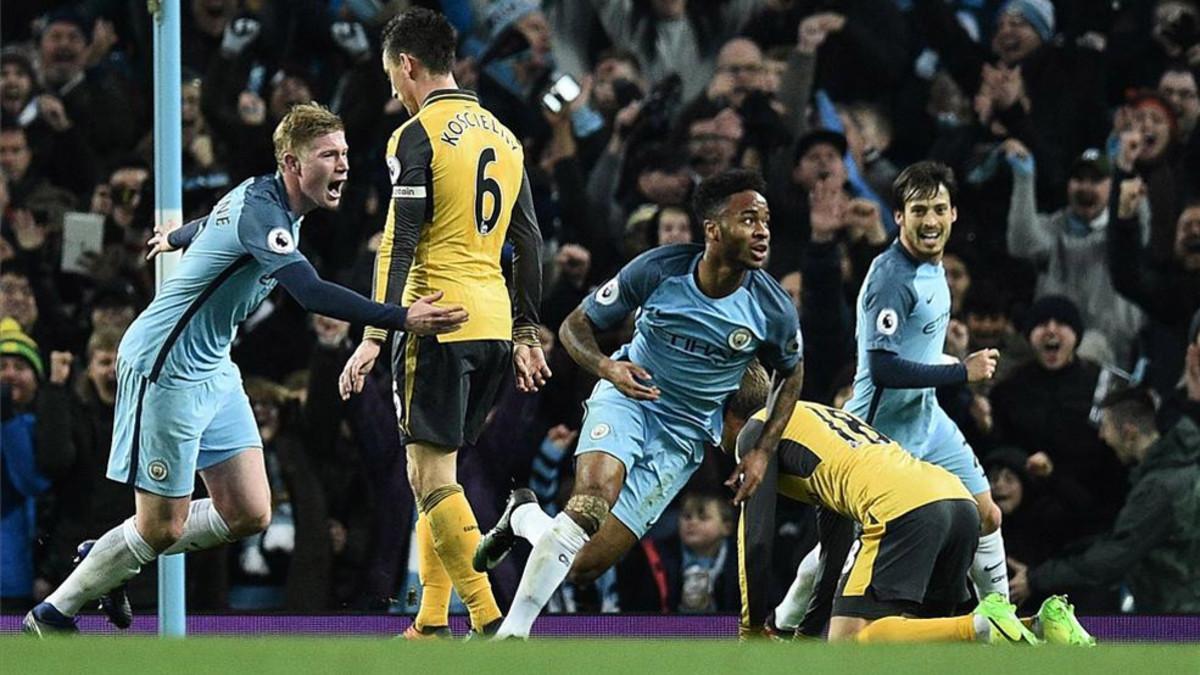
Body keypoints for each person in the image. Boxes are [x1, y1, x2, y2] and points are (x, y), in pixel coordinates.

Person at [22, 102, 467, 636]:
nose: (344, 165)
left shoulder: (264, 197)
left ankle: (114, 552)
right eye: (329, 155)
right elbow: (308, 291)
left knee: (249, 513)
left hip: (214, 367)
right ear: (292, 163)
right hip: (165, 366)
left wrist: (177, 236)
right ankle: (53, 613)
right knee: (161, 529)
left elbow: (215, 221)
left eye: (345, 153)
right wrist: (402, 317)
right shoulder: (266, 211)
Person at [475, 168, 806, 639]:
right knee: (589, 504)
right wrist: (609, 369)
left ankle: (523, 515)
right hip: (628, 400)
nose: (762, 231)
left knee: (582, 564)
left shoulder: (771, 309)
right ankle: (512, 638)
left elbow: (791, 372)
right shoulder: (659, 269)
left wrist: (762, 450)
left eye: (766, 221)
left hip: (685, 436)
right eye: (749, 220)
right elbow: (574, 326)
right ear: (713, 230)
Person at [335, 8, 550, 640]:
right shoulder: (505, 137)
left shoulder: (415, 135)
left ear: (406, 64)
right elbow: (530, 242)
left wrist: (376, 333)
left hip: (436, 321)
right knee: (442, 474)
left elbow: (398, 244)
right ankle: (430, 620)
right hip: (491, 323)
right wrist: (525, 330)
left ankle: (489, 621)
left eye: (392, 77)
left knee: (427, 478)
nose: (393, 92)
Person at [729, 363, 1092, 646]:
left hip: (903, 510)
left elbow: (756, 538)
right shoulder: (814, 417)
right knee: (919, 644)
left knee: (850, 642)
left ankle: (983, 622)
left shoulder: (757, 431)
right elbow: (834, 545)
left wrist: (751, 629)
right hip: (953, 500)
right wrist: (805, 636)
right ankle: (1042, 623)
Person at [844, 161, 1009, 599]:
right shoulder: (892, 278)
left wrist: (953, 360)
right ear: (899, 216)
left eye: (939, 208)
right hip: (877, 432)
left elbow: (915, 349)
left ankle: (1002, 618)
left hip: (924, 416)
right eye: (919, 210)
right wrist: (961, 371)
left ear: (954, 213)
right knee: (850, 550)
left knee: (987, 513)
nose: (931, 220)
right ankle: (786, 619)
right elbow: (883, 367)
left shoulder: (936, 267)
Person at [1010, 388, 1200, 614]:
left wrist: (1037, 579)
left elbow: (1115, 555)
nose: (1102, 435)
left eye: (1106, 426)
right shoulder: (1176, 470)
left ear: (1129, 433)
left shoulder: (1160, 488)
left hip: (1181, 616)